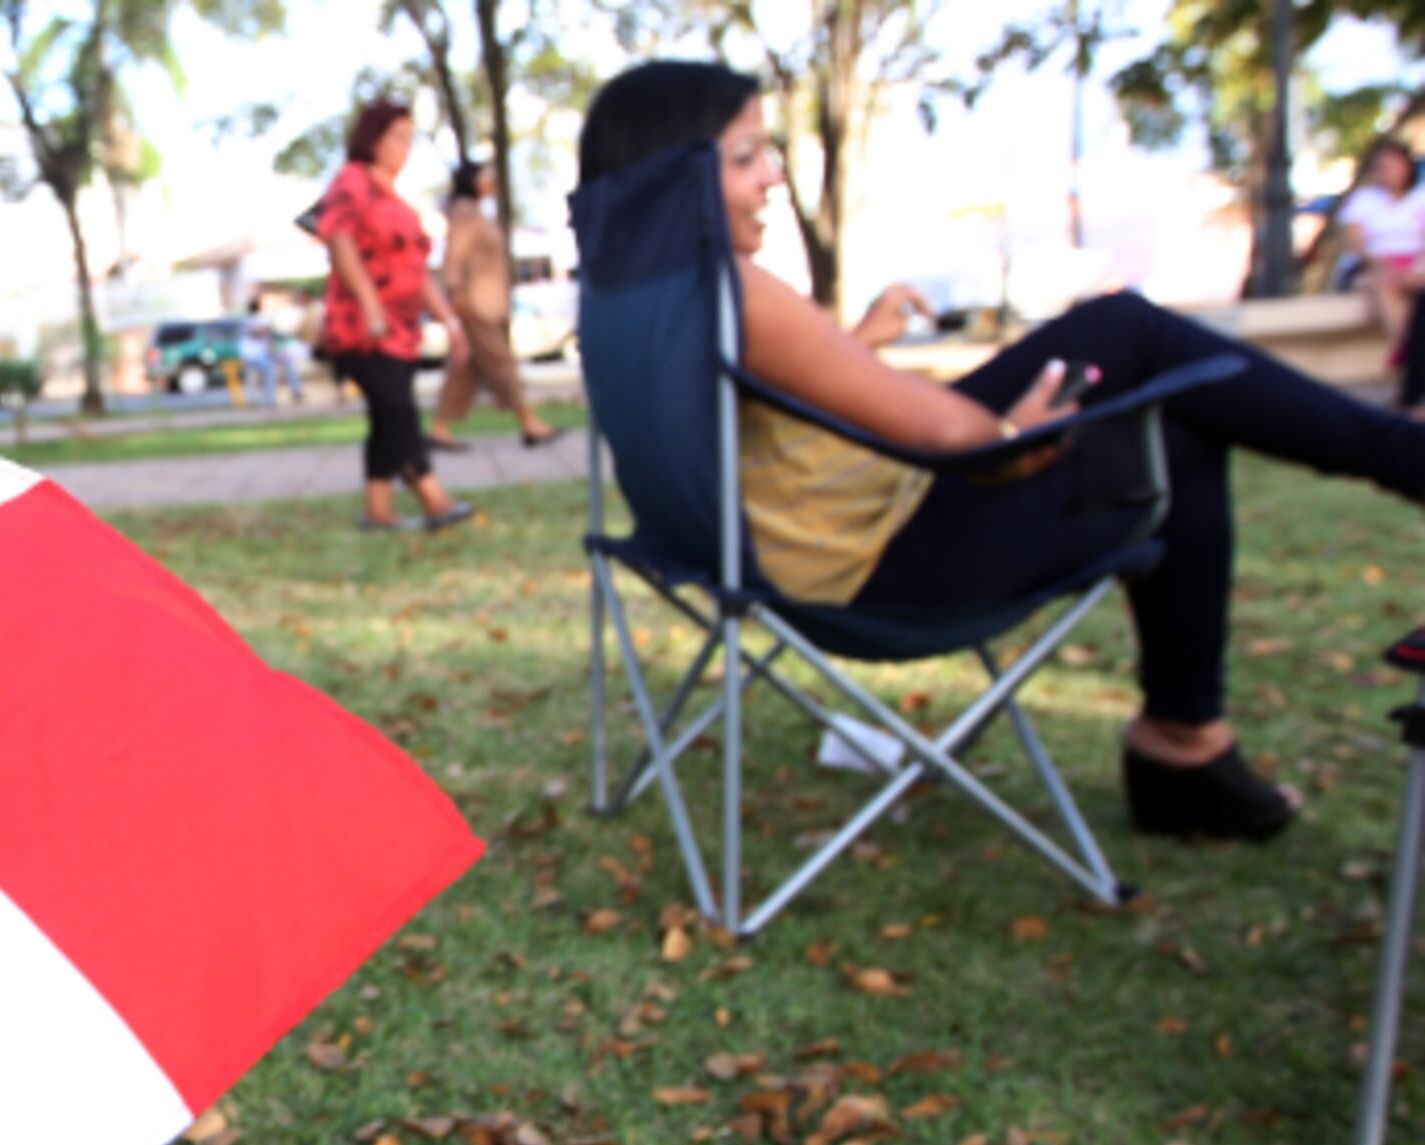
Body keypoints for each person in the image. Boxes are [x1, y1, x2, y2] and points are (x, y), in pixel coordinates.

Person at [579, 61, 1425, 842]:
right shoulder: (733, 287)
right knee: (1143, 365)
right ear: (673, 174)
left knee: (1161, 399)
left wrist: (858, 343)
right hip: (886, 569)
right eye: (746, 157)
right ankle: (1188, 731)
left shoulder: (633, 295)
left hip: (770, 551)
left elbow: (766, 410)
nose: (772, 176)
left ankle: (1188, 740)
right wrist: (1013, 435)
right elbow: (960, 439)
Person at [319, 96, 476, 531]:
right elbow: (339, 240)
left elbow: (417, 271)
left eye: (410, 138)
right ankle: (433, 498)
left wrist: (450, 321)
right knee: (398, 412)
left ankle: (378, 509)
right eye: (398, 137)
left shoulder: (394, 198)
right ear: (373, 137)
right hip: (364, 329)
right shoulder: (351, 181)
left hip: (402, 330)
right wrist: (370, 303)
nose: (404, 147)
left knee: (386, 418)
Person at [426, 158, 560, 452]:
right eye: (486, 176)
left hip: (488, 302)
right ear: (473, 180)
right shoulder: (464, 211)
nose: (492, 181)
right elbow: (454, 256)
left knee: (464, 369)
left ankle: (440, 428)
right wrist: (455, 292)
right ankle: (529, 423)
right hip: (476, 304)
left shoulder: (476, 213)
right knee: (502, 364)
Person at [1337, 147, 1425, 377]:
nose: (1387, 172)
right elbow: (1356, 243)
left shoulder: (1420, 196)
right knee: (1382, 284)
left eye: (1393, 165)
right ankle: (1410, 352)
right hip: (1376, 267)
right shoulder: (1363, 199)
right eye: (1381, 167)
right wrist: (1386, 266)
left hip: (1415, 267)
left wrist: (1416, 268)